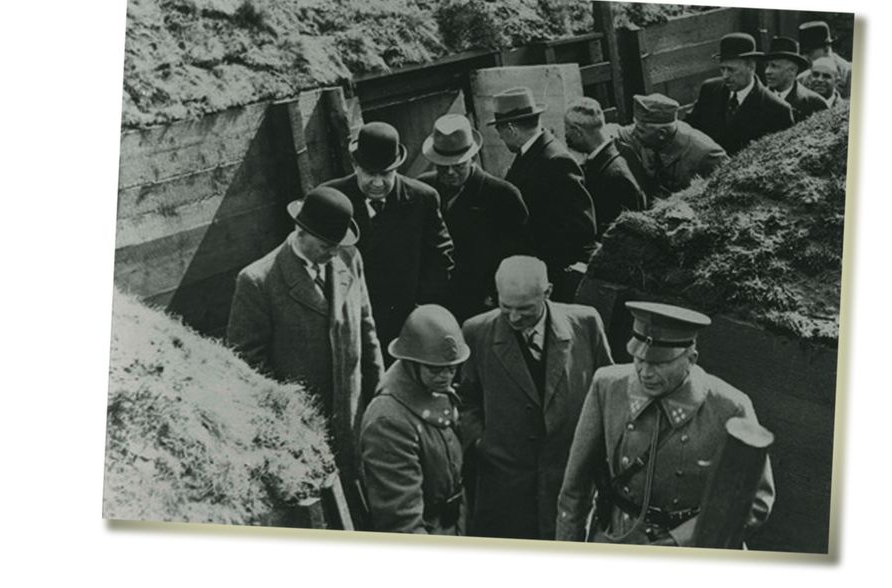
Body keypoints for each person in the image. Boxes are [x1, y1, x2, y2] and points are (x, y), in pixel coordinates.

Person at [556, 302, 775, 547]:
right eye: (638, 359)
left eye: (658, 363)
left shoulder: (730, 407)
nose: (644, 372)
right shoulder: (607, 385)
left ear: (691, 359)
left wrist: (678, 541)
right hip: (616, 539)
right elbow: (575, 488)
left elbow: (755, 501)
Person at [226, 186, 384, 511]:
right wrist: (291, 426)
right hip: (303, 436)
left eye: (338, 245)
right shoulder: (258, 282)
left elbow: (367, 332)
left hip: (354, 423)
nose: (333, 253)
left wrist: (379, 400)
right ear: (301, 232)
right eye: (327, 245)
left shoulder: (349, 259)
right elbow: (247, 368)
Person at [459, 255, 613, 540]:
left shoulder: (587, 324)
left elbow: (608, 395)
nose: (515, 318)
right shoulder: (476, 331)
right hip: (502, 485)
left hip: (566, 481)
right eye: (506, 308)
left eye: (526, 310)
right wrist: (482, 442)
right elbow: (464, 399)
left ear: (548, 293)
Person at [322, 121, 455, 379]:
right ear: (355, 166)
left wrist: (421, 311)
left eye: (386, 173)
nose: (378, 182)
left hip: (406, 320)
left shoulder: (422, 199)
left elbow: (441, 259)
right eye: (370, 173)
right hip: (352, 322)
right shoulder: (331, 199)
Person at [359, 304, 470, 535]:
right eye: (435, 369)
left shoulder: (435, 390)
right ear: (411, 363)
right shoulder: (389, 421)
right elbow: (401, 521)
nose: (446, 377)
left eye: (452, 368)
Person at [416, 114, 529, 323]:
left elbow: (516, 256)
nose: (450, 172)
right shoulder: (423, 190)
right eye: (442, 165)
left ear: (473, 158)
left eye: (458, 165)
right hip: (436, 307)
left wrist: (495, 296)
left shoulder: (502, 196)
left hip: (483, 307)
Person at [489, 87, 596, 302]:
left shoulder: (556, 161)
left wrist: (538, 263)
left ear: (511, 128)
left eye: (500, 133)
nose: (501, 138)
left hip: (552, 281)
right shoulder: (529, 155)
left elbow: (582, 228)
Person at [686, 33, 794, 155]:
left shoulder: (777, 110)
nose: (725, 76)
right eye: (722, 69)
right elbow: (690, 128)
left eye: (731, 70)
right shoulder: (709, 90)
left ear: (751, 66)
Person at [608, 94, 727, 198]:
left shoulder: (707, 154)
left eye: (640, 130)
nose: (634, 133)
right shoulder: (644, 134)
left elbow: (729, 188)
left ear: (661, 134)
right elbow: (617, 131)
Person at [563, 97, 645, 238]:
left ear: (578, 132)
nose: (565, 135)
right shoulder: (625, 151)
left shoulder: (613, 177)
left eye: (567, 129)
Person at [763, 36, 829, 123]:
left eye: (774, 66)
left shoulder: (815, 104)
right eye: (767, 65)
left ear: (792, 70)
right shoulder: (758, 100)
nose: (767, 71)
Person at [795, 20, 852, 99]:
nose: (805, 57)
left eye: (809, 52)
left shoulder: (849, 73)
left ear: (826, 49)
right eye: (803, 53)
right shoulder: (802, 77)